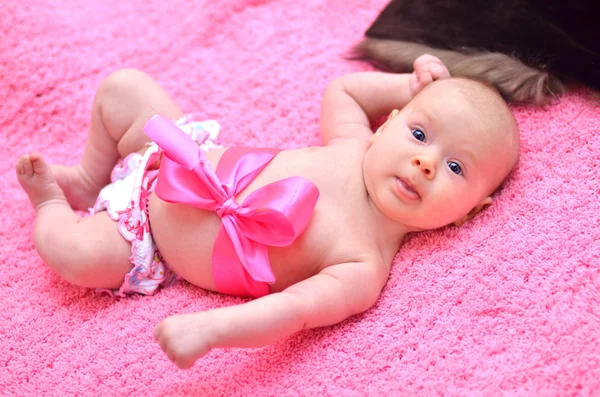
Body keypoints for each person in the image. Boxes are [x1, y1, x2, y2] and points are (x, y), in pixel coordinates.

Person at [16, 55, 520, 369]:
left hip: (147, 239)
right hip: (177, 150)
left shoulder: (362, 264)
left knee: (74, 253)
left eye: (455, 166)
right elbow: (342, 91)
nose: (424, 162)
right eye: (417, 132)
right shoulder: (353, 144)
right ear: (387, 124)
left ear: (469, 213)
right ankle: (88, 177)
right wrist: (409, 88)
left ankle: (53, 205)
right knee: (123, 86)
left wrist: (211, 332)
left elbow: (292, 311)